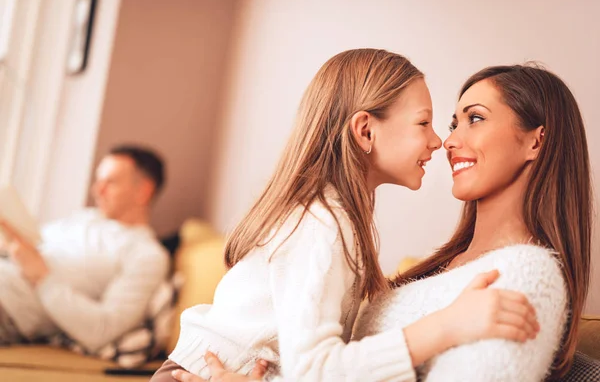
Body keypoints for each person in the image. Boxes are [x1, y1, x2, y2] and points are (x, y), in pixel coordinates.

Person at [153, 49, 539, 382]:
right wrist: (446, 325)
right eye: (424, 122)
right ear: (365, 131)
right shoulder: (322, 222)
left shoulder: (337, 219)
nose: (439, 141)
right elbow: (316, 372)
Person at [353, 65, 591, 381]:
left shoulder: (527, 274)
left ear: (536, 142)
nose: (449, 141)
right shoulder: (440, 266)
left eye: (475, 119)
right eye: (455, 124)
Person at [0, 145, 170, 353]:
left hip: (7, 309)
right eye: (98, 181)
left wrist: (41, 277)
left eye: (110, 182)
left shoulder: (146, 254)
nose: (97, 190)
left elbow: (102, 330)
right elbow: (31, 246)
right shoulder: (84, 218)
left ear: (144, 191)